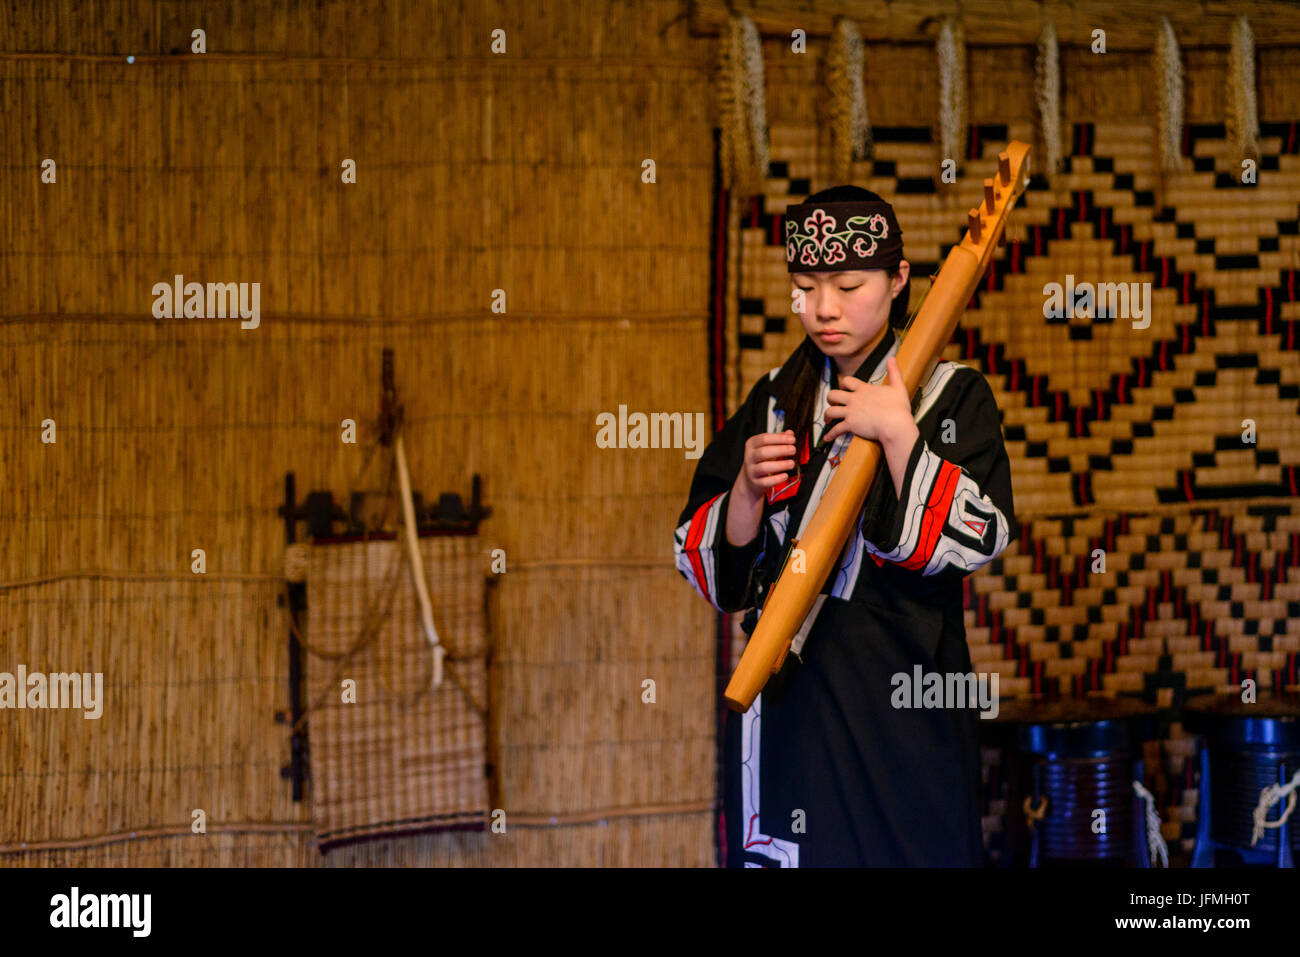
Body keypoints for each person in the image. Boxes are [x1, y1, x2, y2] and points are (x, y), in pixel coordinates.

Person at [673, 185, 1018, 866]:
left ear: (898, 281)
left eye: (848, 284)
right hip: (793, 708)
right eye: (805, 287)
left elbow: (984, 533)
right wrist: (745, 488)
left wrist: (899, 438)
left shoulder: (953, 396)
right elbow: (712, 567)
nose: (823, 308)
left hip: (904, 703)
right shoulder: (775, 399)